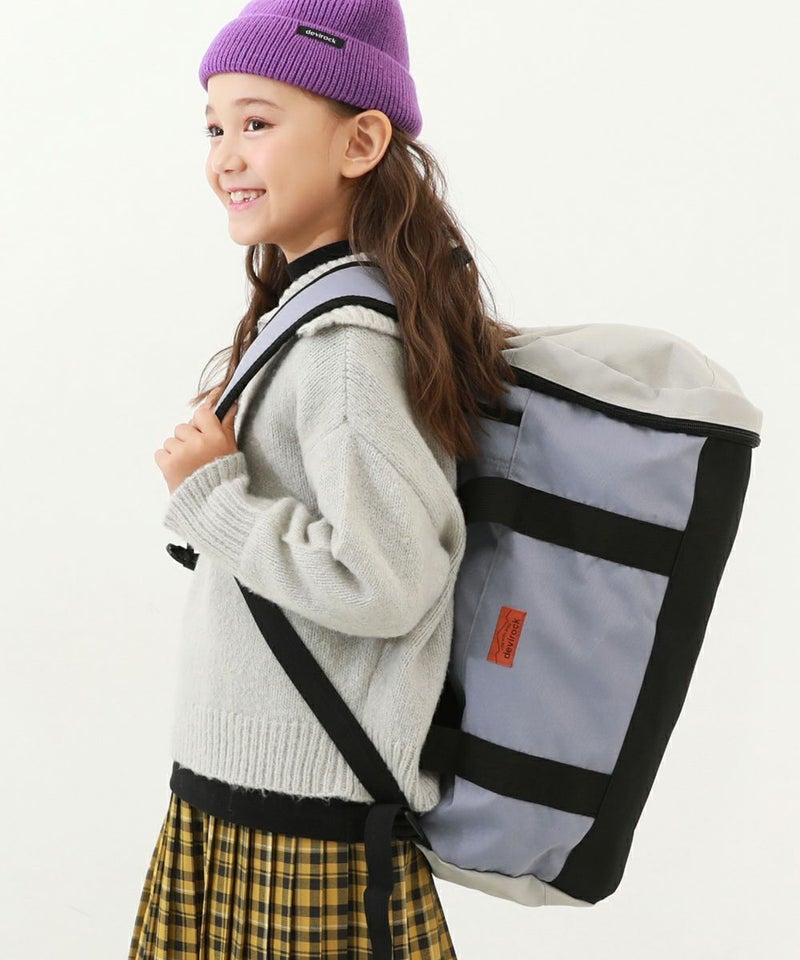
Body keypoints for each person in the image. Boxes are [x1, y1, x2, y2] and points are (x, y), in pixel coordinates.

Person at [128, 1, 519, 957]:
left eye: (257, 123)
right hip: (243, 805)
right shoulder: (306, 317)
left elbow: (385, 581)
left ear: (361, 142)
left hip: (304, 829)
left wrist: (215, 499)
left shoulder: (347, 345)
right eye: (214, 128)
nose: (225, 157)